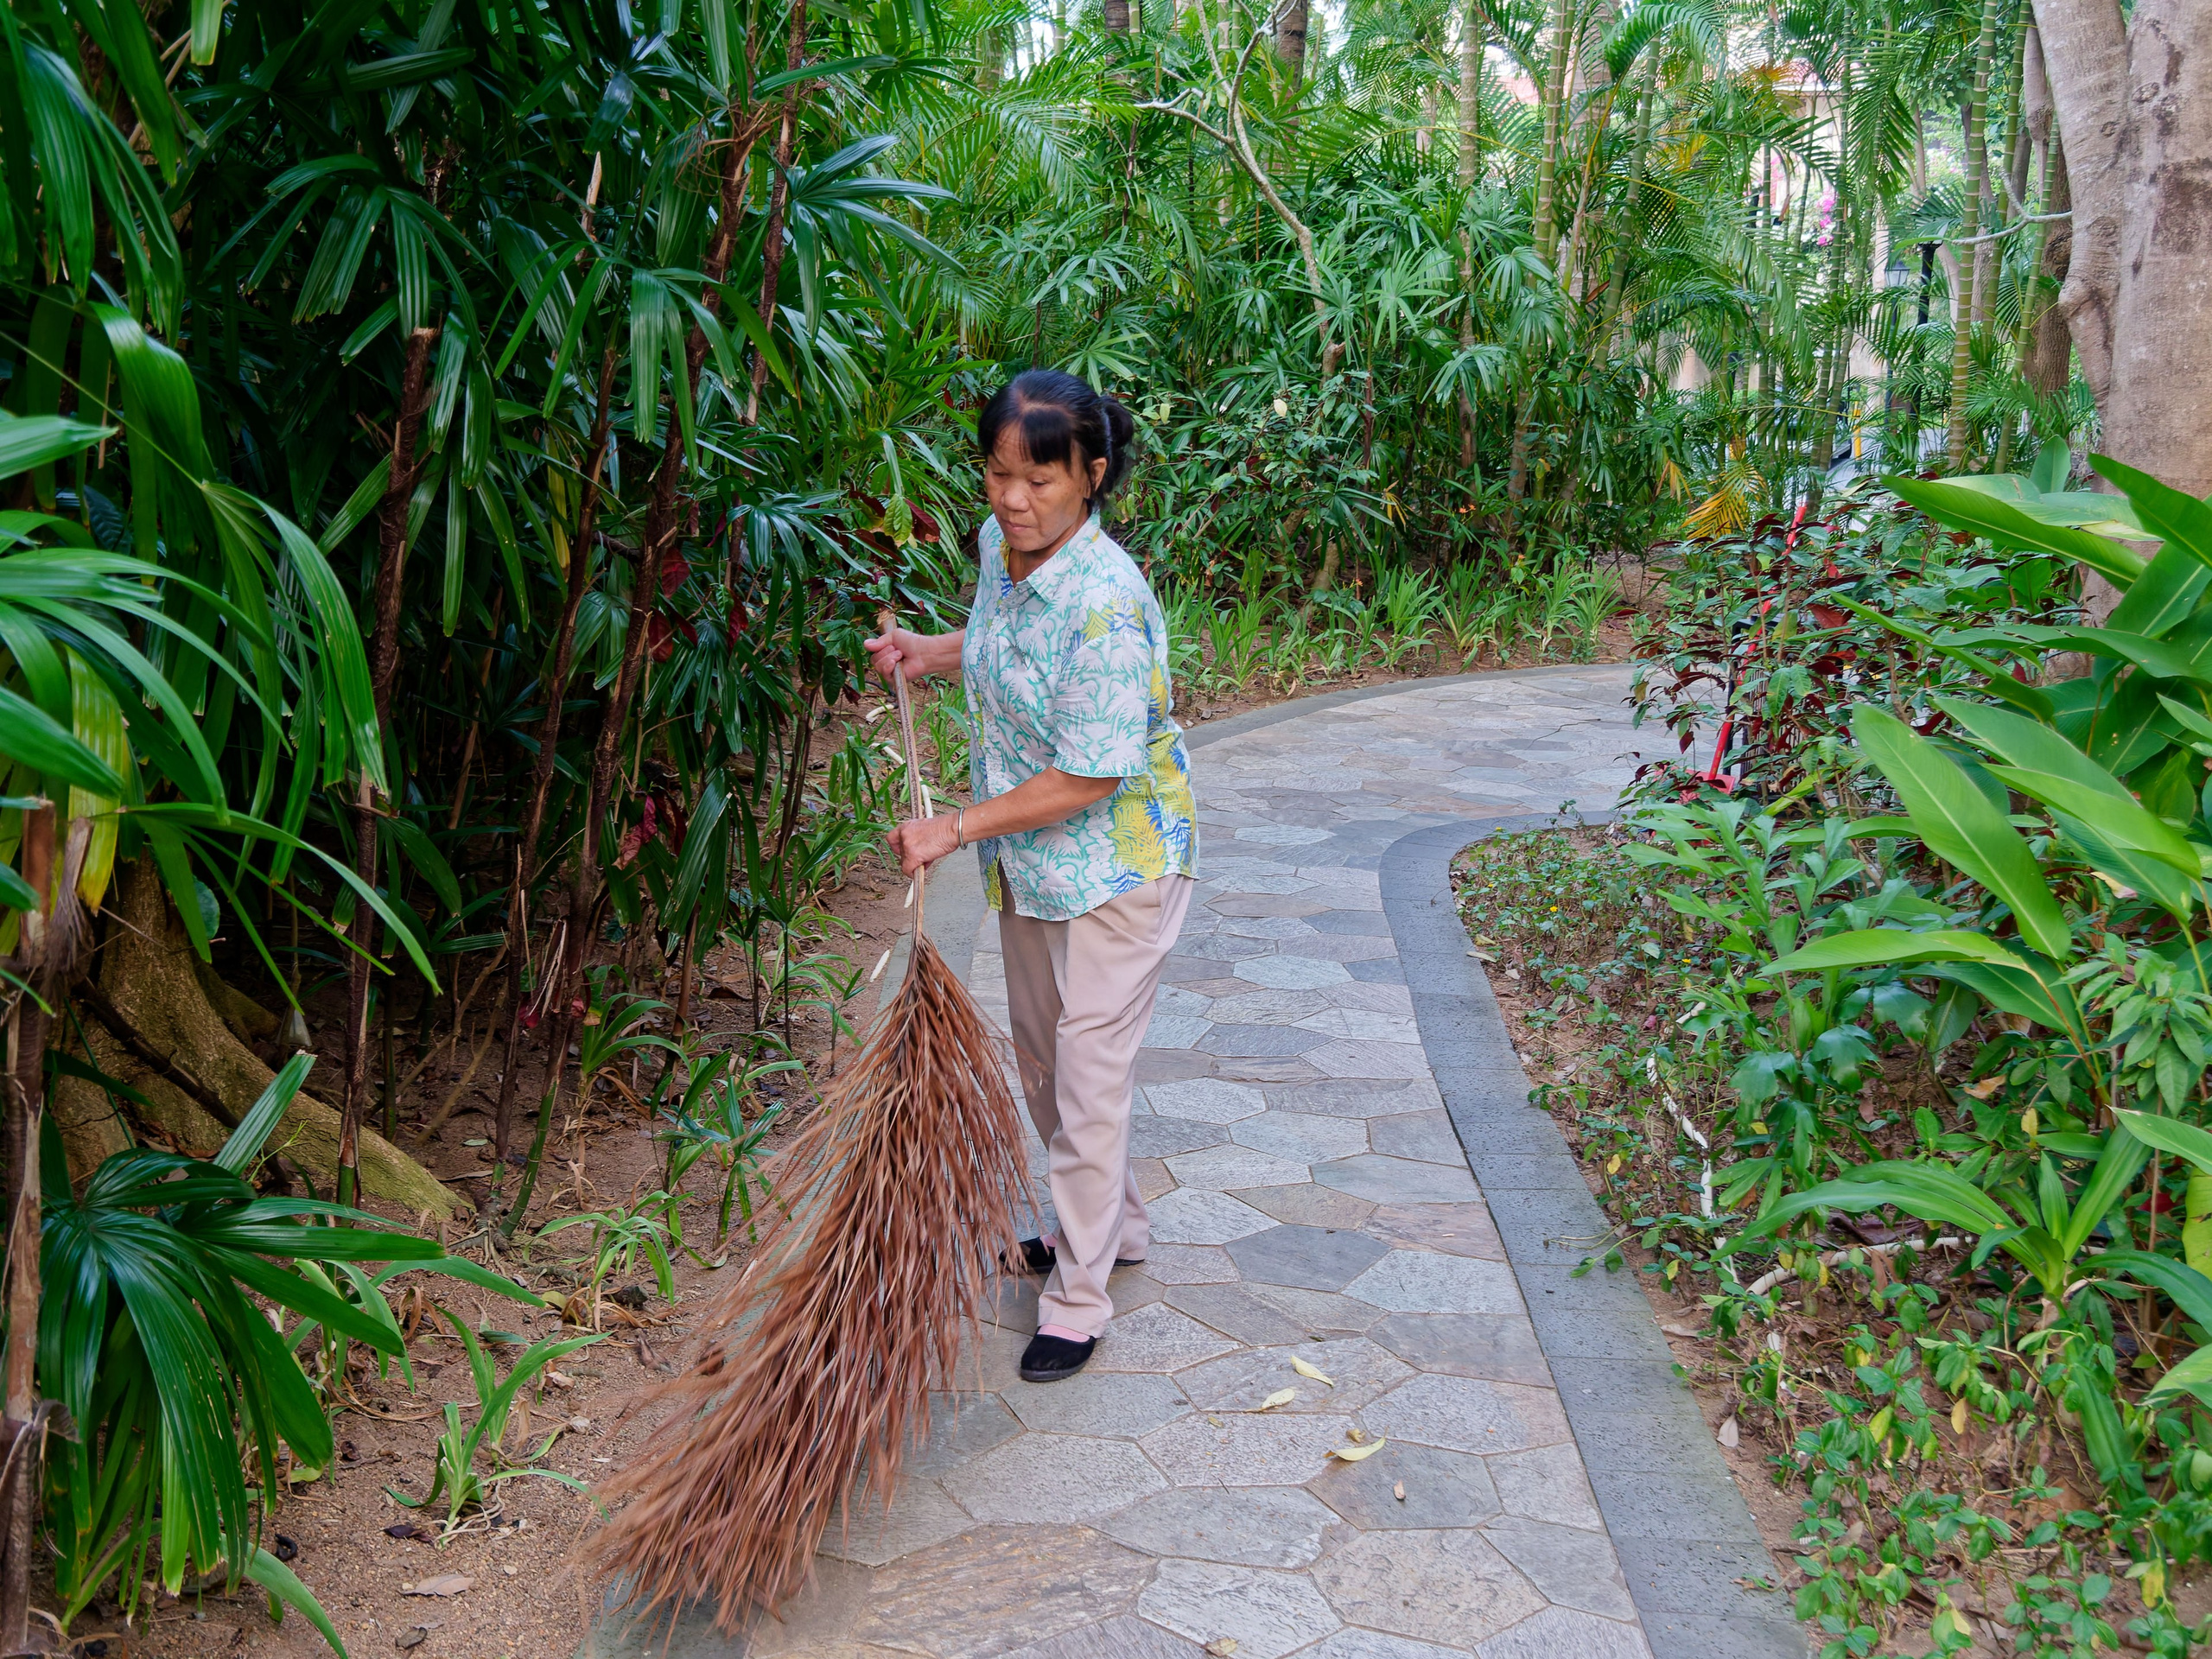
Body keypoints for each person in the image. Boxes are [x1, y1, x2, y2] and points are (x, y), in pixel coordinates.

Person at [864, 370, 1198, 1383]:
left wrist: (950, 829)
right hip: (1036, 868)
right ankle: (1114, 1226)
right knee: (1052, 1073)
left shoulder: (1105, 599)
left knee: (1087, 1086)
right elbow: (1009, 649)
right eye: (997, 475)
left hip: (1117, 872)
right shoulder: (999, 553)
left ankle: (1079, 1298)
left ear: (1091, 476)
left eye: (1040, 480)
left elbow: (1090, 773)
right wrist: (930, 651)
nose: (1013, 500)